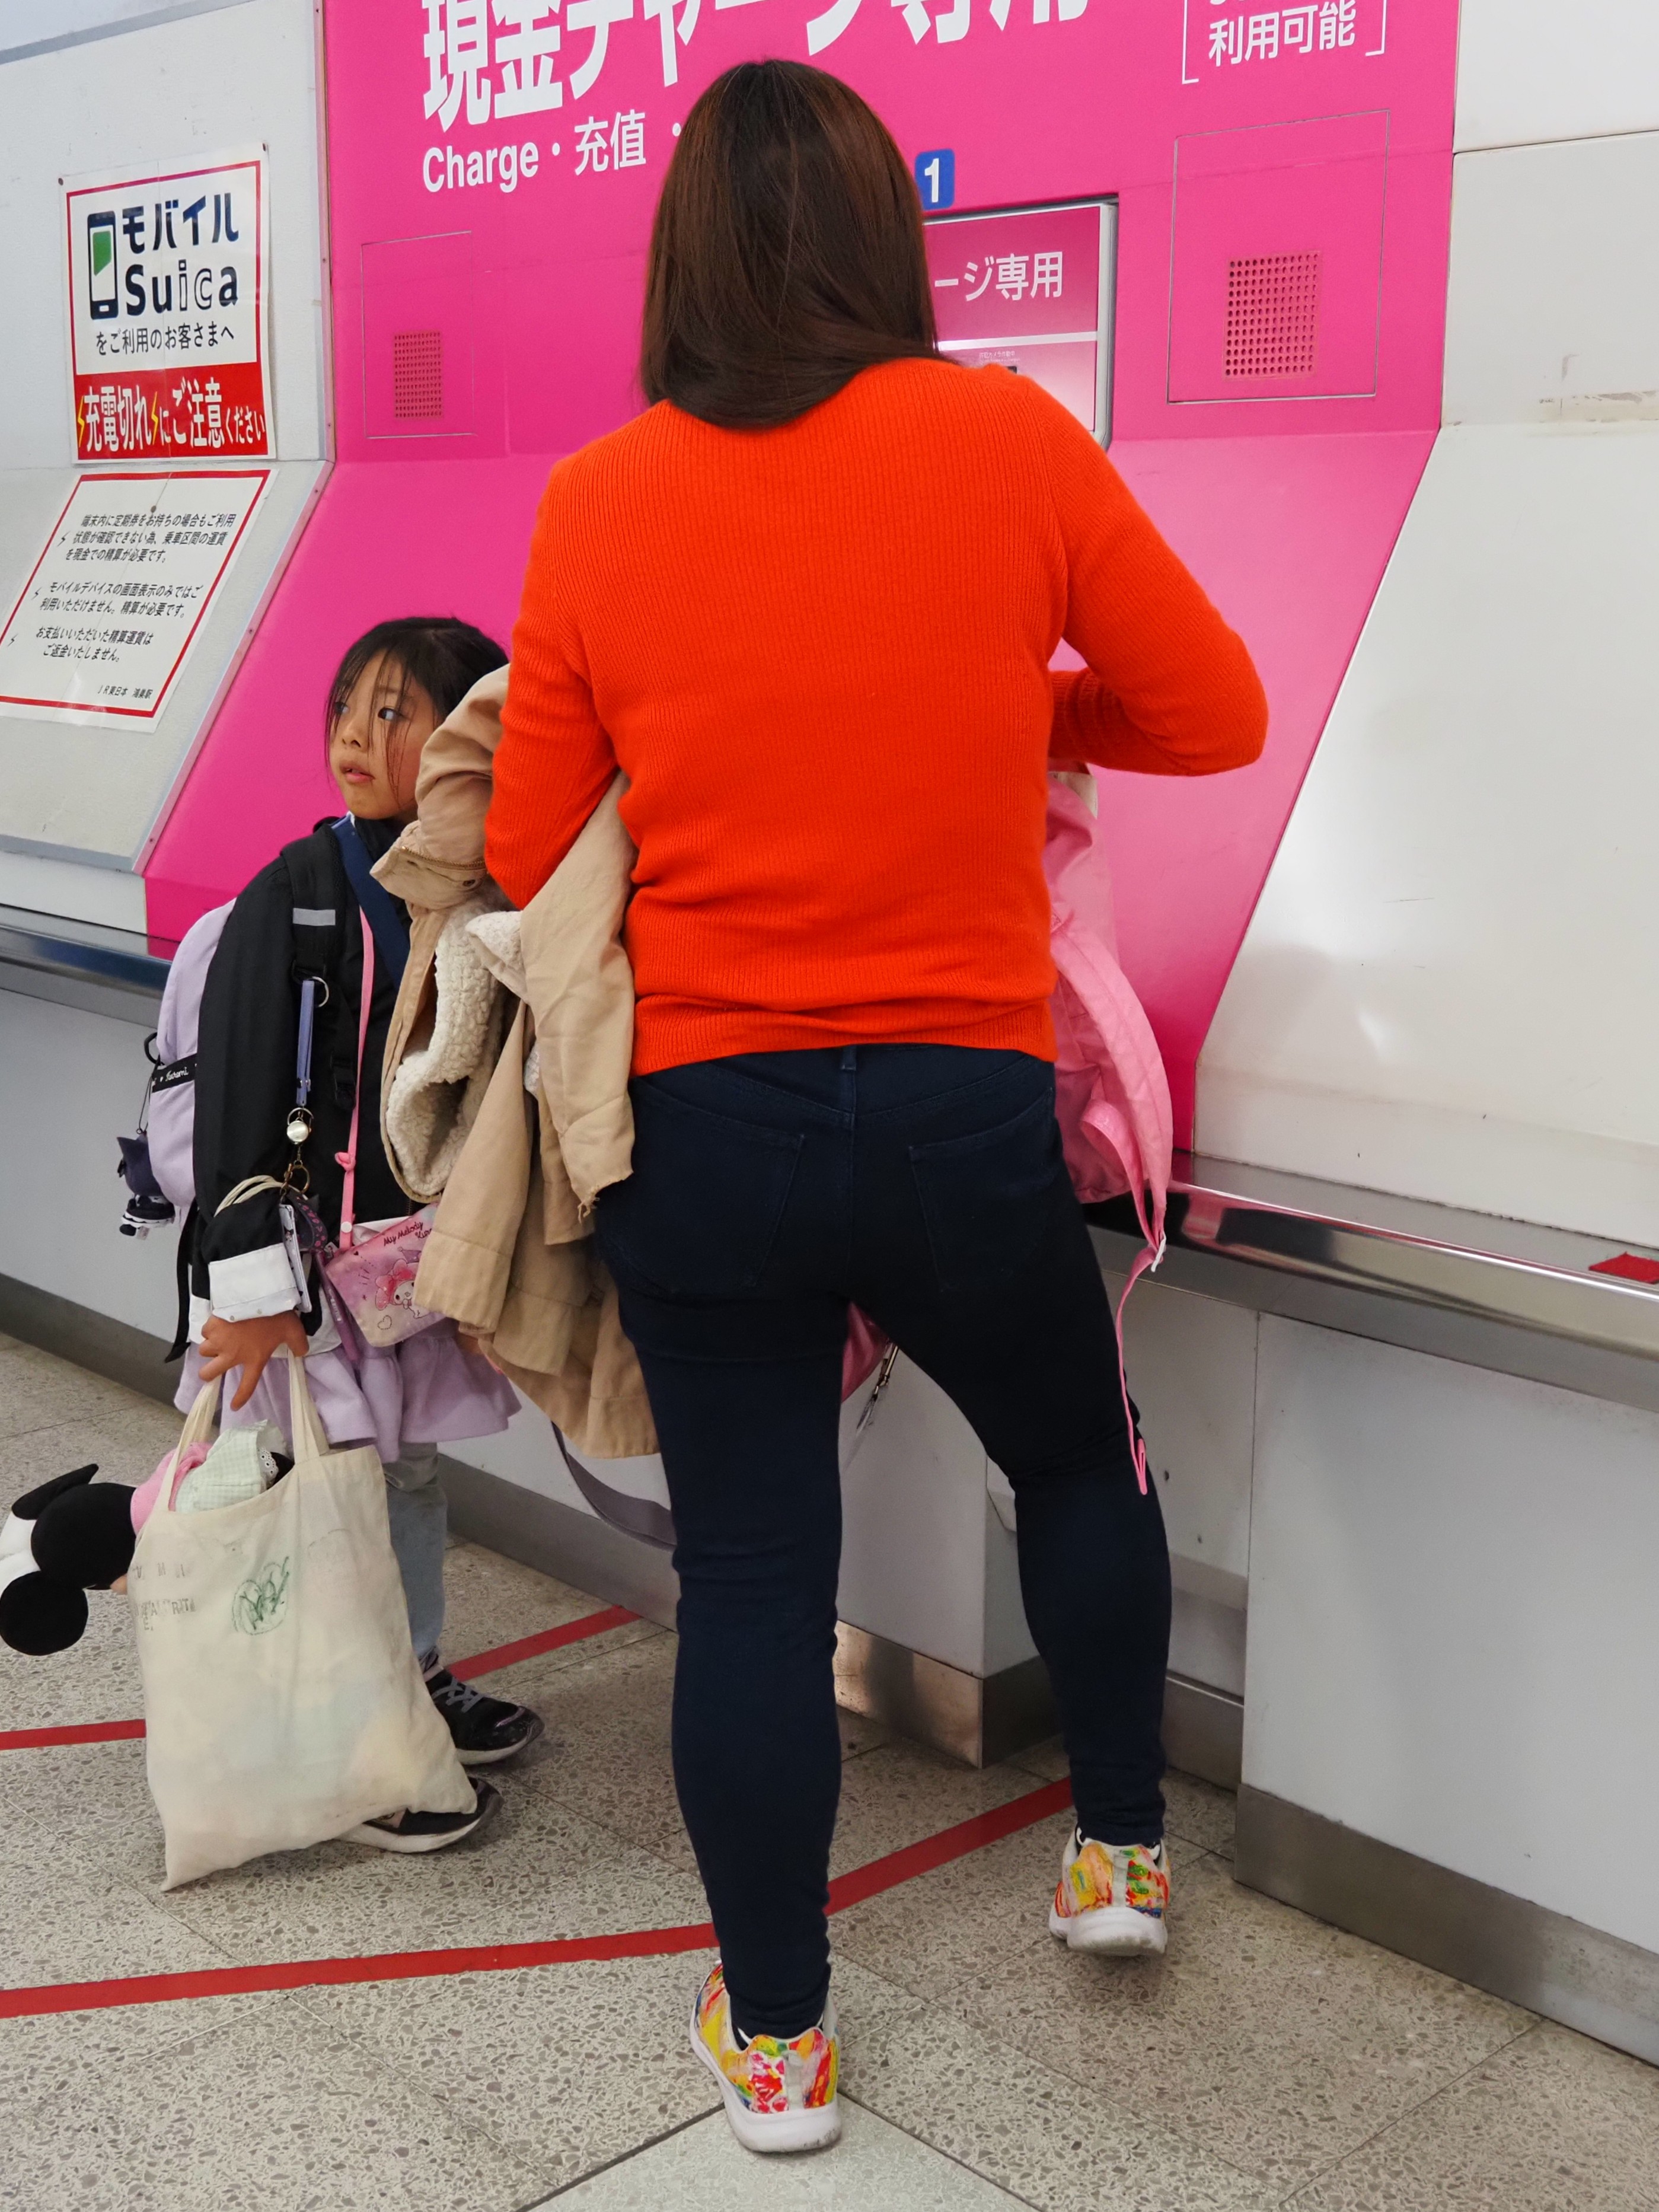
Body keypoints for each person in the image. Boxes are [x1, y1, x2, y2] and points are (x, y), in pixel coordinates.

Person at [487, 62, 1268, 2150]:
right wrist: (1009, 699)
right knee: (1073, 1459)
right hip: (953, 1108)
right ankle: (1115, 1852)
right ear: (880, 240)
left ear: (680, 256)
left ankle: (777, 2048)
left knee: (754, 1574)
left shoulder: (597, 496)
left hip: (703, 1124)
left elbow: (532, 846)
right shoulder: (1004, 440)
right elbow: (1211, 708)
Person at [184, 617, 544, 1853]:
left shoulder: (484, 884)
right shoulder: (299, 889)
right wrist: (249, 1294)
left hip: (412, 1268)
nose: (356, 735)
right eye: (348, 707)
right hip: (306, 1276)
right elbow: (239, 1095)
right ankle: (362, 1749)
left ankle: (415, 1677)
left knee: (406, 1475)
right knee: (329, 1488)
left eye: (396, 714)